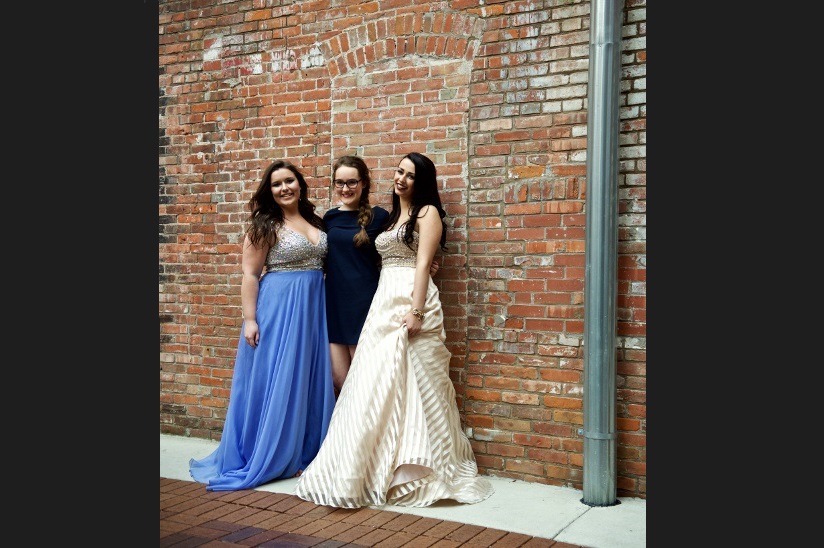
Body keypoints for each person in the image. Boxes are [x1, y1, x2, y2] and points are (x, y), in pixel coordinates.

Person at [295, 152, 494, 508]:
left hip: (409, 300)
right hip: (383, 301)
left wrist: (416, 310)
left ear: (422, 182)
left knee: (419, 384)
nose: (401, 178)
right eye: (399, 171)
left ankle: (423, 466)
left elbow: (421, 264)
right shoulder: (390, 217)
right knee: (377, 385)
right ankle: (373, 463)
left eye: (410, 175)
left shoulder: (426, 213)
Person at [189, 159, 336, 491]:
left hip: (313, 309)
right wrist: (250, 319)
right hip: (278, 308)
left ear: (300, 184)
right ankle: (268, 452)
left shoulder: (316, 220)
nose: (284, 188)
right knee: (276, 378)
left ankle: (304, 451)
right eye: (276, 184)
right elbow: (250, 275)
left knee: (307, 378)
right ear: (269, 191)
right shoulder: (264, 225)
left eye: (289, 181)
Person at [324, 155, 439, 396]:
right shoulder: (329, 217)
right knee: (339, 379)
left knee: (362, 378)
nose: (346, 188)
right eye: (340, 183)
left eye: (352, 182)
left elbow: (397, 250)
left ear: (364, 183)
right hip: (334, 302)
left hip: (365, 302)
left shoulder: (381, 217)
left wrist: (427, 266)